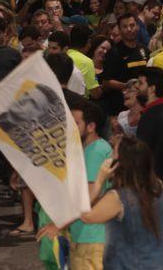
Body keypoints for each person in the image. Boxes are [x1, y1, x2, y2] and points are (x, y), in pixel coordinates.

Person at [72, 136, 163, 269]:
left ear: (120, 164)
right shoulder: (160, 190)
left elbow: (85, 216)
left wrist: (99, 181)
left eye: (114, 153)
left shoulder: (117, 198)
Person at [68, 100, 113, 269]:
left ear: (91, 126)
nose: (70, 127)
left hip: (90, 237)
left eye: (76, 123)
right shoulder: (90, 149)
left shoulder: (95, 151)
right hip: (85, 234)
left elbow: (89, 196)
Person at [135, 67, 163, 193]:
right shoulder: (162, 110)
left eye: (141, 83)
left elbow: (144, 155)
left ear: (152, 89)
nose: (137, 86)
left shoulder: (152, 116)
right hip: (161, 184)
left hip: (154, 187)